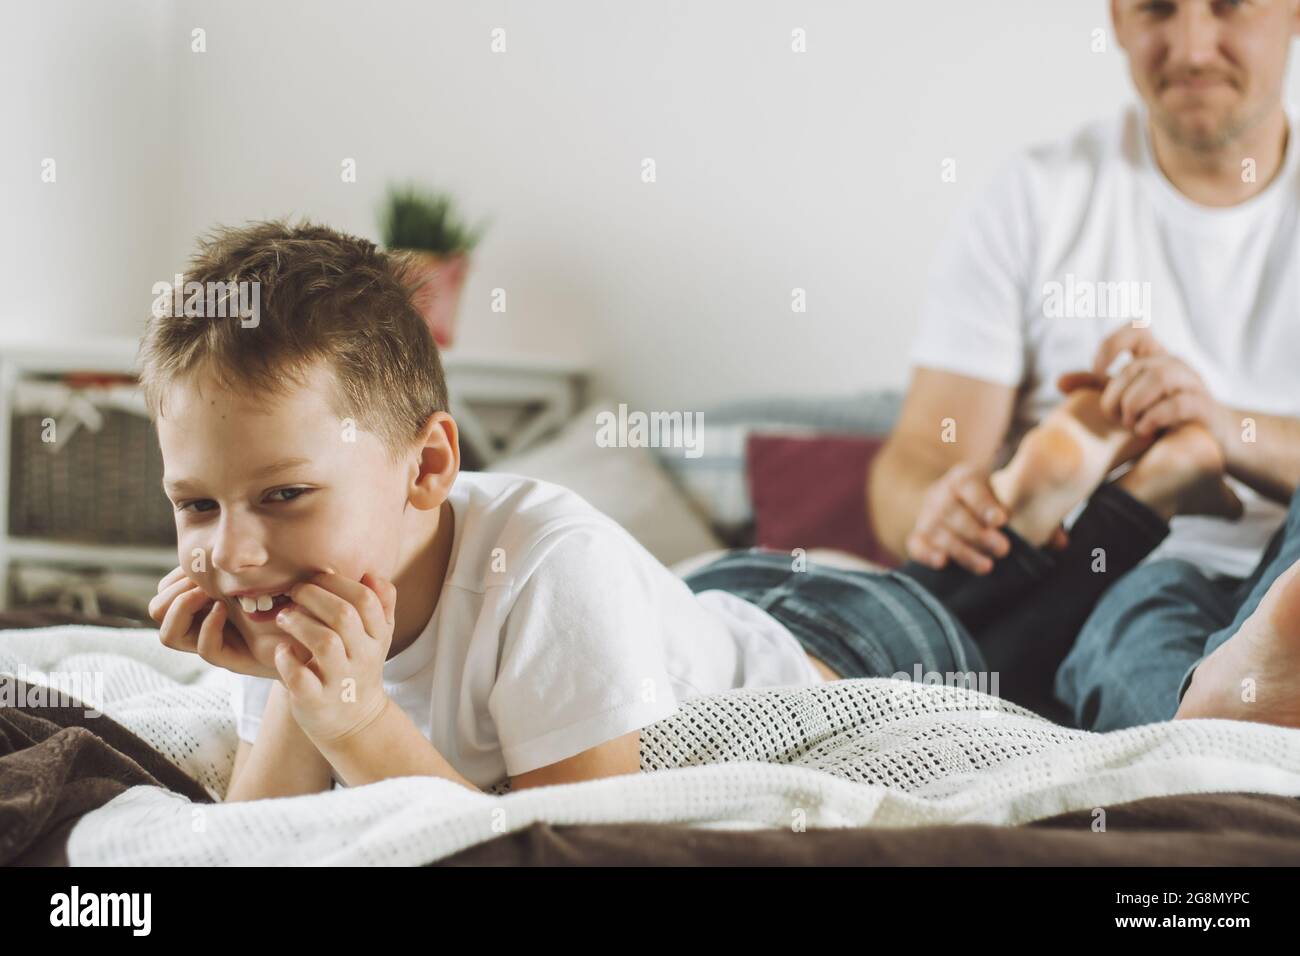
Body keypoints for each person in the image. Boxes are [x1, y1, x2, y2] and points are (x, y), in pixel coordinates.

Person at [867, 0, 1300, 716]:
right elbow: (916, 457)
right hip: (1123, 569)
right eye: (1157, 9)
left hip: (1284, 556)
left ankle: (1220, 727)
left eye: (1229, 6)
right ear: (1118, 20)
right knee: (1131, 616)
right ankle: (1218, 727)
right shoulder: (1034, 198)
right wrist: (948, 507)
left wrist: (1226, 433)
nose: (1192, 48)